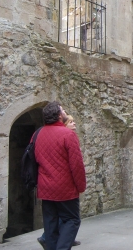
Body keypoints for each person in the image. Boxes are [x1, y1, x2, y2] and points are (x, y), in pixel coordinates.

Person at [35, 101, 86, 250]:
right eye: (62, 111)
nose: (65, 112)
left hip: (45, 187)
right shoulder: (68, 134)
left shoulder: (38, 134)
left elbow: (34, 159)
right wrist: (80, 186)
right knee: (72, 220)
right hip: (65, 188)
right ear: (58, 115)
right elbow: (76, 165)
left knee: (50, 223)